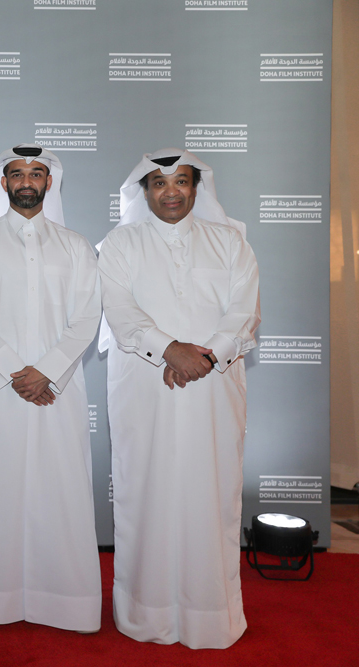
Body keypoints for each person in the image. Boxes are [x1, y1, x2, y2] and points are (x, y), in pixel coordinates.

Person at [98, 148, 260, 649]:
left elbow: (245, 314)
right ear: (144, 191)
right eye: (160, 183)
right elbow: (119, 311)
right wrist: (169, 350)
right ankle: (147, 614)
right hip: (146, 391)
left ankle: (209, 615)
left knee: (209, 494)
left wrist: (203, 359)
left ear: (197, 187)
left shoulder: (232, 243)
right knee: (146, 493)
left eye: (182, 182)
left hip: (212, 390)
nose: (171, 192)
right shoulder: (119, 245)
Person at [0, 145, 103, 632]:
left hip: (59, 389)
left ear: (49, 182)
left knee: (61, 490)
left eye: (36, 173)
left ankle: (66, 604)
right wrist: (19, 372)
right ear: (3, 183)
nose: (27, 181)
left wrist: (50, 370)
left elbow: (87, 318)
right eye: (17, 173)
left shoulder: (76, 246)